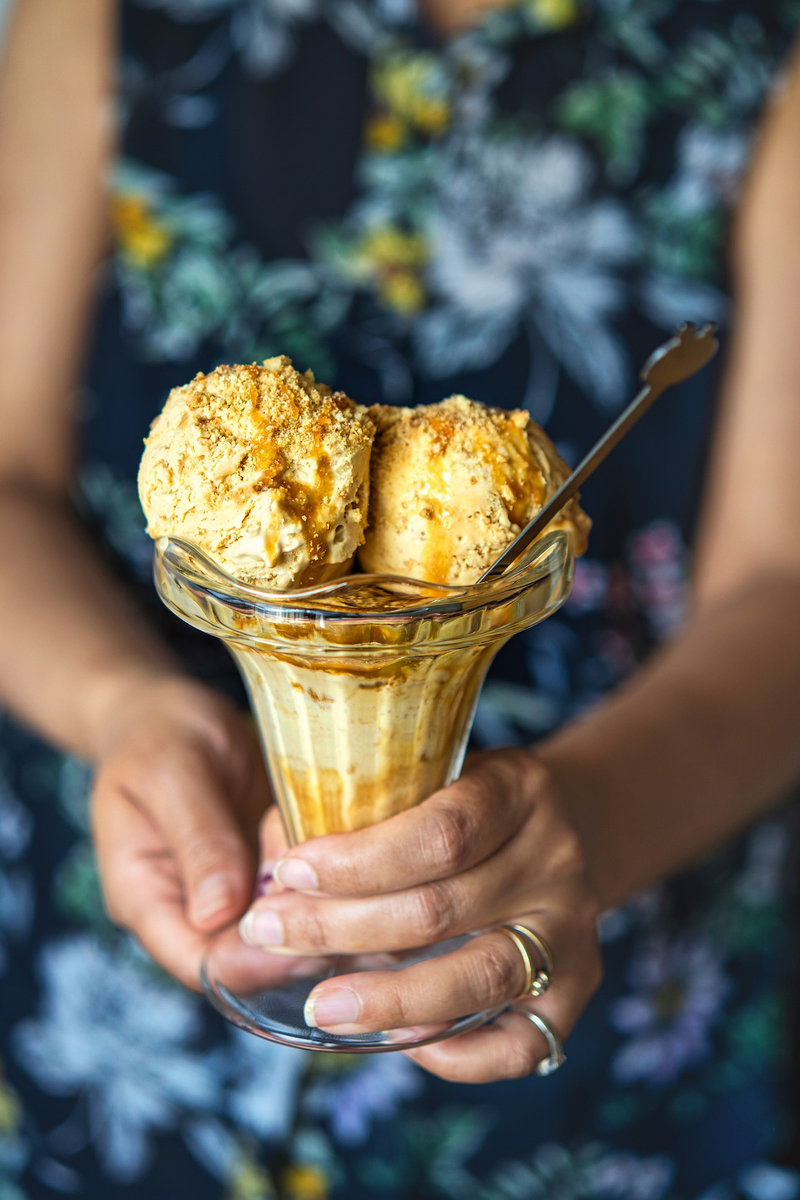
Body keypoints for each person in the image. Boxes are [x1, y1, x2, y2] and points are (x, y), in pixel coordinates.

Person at [1, 0, 800, 1196]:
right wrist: (123, 707)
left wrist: (587, 818)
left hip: (597, 1011)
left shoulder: (754, 47)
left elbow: (781, 586)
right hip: (124, 997)